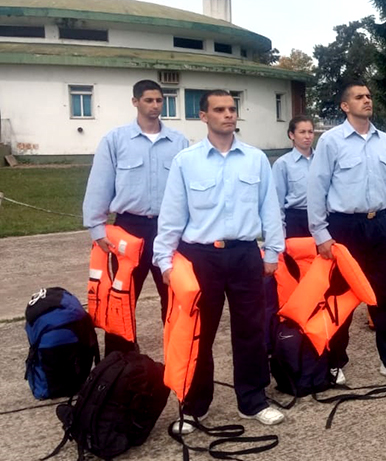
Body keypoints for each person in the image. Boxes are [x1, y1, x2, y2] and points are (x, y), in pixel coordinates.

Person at [153, 90, 285, 432]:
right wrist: (164, 260)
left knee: (251, 330)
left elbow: (269, 208)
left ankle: (253, 400)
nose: (228, 115)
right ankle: (195, 406)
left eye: (232, 109)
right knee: (198, 332)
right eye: (220, 109)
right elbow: (171, 214)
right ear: (203, 116)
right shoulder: (187, 160)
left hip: (244, 254)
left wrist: (272, 251)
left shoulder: (255, 159)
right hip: (200, 257)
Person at [307, 81, 386, 383]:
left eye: (369, 95)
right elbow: (317, 187)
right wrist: (320, 233)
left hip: (380, 224)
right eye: (359, 97)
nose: (367, 100)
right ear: (345, 106)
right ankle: (334, 362)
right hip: (345, 227)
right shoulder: (331, 141)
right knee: (340, 296)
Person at [82, 79, 189, 354]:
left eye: (159, 101)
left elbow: (189, 189)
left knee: (175, 297)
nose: (155, 106)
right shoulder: (115, 140)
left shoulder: (179, 142)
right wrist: (97, 229)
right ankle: (119, 364)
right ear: (135, 102)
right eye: (148, 100)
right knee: (121, 299)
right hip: (130, 228)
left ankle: (178, 360)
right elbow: (99, 185)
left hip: (169, 231)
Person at [272, 115, 314, 238]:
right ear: (292, 135)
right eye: (302, 132)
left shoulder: (322, 160)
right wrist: (280, 232)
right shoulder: (282, 164)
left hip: (321, 219)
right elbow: (277, 202)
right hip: (296, 221)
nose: (307, 136)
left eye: (310, 132)